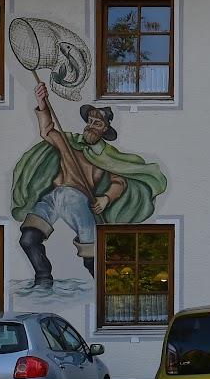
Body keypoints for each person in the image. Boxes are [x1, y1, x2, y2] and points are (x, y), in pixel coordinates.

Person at [11, 81, 168, 285]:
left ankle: (108, 288)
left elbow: (119, 181)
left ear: (105, 130)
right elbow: (47, 131)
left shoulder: (107, 155)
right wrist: (42, 103)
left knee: (92, 255)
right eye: (90, 121)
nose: (91, 125)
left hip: (79, 200)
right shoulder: (70, 141)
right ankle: (43, 279)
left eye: (97, 123)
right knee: (28, 239)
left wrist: (106, 199)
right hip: (55, 197)